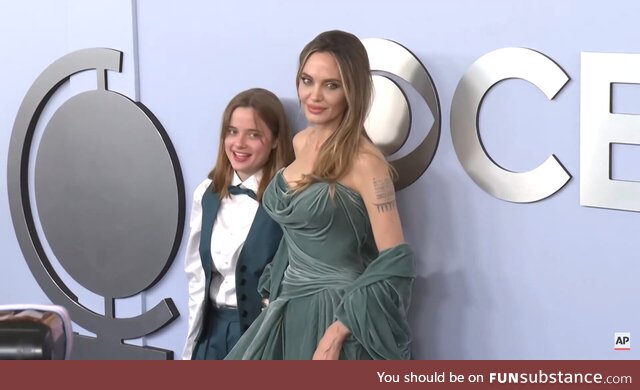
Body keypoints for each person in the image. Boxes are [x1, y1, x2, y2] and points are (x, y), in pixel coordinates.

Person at [226, 30, 415, 360]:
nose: (314, 95)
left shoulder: (367, 163)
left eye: (331, 85)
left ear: (352, 92)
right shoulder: (300, 142)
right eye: (306, 80)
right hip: (290, 307)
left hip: (340, 315)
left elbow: (396, 260)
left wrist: (339, 330)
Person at [182, 88, 294, 360]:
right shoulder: (206, 193)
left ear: (276, 140)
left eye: (253, 134)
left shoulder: (289, 197)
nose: (239, 143)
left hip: (262, 335)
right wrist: (189, 352)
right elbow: (197, 279)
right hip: (211, 333)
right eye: (232, 132)